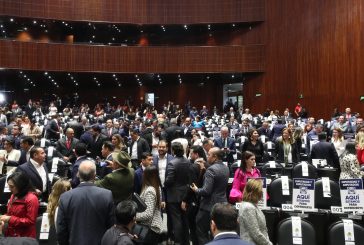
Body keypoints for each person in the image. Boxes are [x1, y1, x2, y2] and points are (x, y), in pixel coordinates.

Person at [57, 160, 115, 245]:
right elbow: (111, 226)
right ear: (95, 175)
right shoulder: (107, 195)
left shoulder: (65, 197)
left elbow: (61, 229)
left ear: (78, 175)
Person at [191, 147, 230, 245]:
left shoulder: (211, 170)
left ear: (215, 157)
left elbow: (206, 191)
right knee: (217, 232)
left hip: (208, 207)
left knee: (201, 231)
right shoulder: (226, 167)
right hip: (222, 205)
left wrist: (196, 190)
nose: (207, 157)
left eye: (209, 155)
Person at [165, 142, 191, 245]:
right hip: (185, 194)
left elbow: (169, 180)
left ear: (173, 150)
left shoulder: (172, 163)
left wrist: (165, 183)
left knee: (176, 220)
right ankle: (186, 241)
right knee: (184, 219)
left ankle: (178, 242)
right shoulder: (188, 162)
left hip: (174, 195)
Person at [0, 172, 39, 238]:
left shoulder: (32, 199)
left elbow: (30, 221)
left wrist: (9, 219)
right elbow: (11, 213)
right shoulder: (14, 195)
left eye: (12, 187)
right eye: (8, 186)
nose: (9, 189)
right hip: (11, 234)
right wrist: (4, 217)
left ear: (21, 186)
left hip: (25, 237)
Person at [239, 179, 272, 245]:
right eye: (260, 192)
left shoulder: (251, 205)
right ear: (254, 193)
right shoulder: (248, 207)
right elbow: (256, 233)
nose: (262, 194)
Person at [135, 165, 163, 244]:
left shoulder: (150, 190)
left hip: (149, 229)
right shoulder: (156, 187)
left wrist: (134, 217)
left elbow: (148, 214)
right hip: (151, 228)